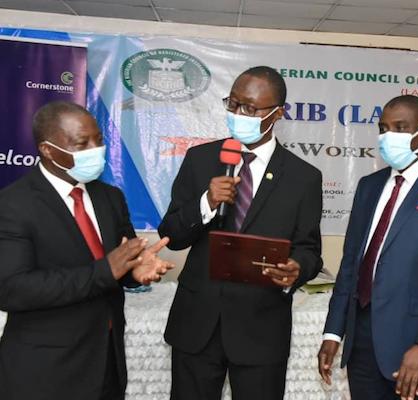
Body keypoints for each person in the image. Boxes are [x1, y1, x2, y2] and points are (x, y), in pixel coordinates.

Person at [159, 65, 323, 400]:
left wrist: (296, 269)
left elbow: (309, 250)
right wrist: (206, 202)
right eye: (232, 104)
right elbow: (171, 235)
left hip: (261, 328)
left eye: (249, 108)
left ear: (278, 113)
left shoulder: (303, 177)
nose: (237, 114)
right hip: (197, 324)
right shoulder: (201, 159)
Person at [0, 101, 174, 400]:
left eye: (99, 140)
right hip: (45, 371)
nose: (96, 150)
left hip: (107, 362)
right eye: (82, 143)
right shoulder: (13, 205)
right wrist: (105, 271)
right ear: (48, 150)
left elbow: (119, 265)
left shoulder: (110, 197)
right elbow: (11, 289)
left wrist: (135, 271)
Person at [318, 95, 418, 400]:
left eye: (401, 127)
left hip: (416, 348)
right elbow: (351, 265)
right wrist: (333, 332)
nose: (388, 136)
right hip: (362, 345)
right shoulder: (369, 186)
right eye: (383, 128)